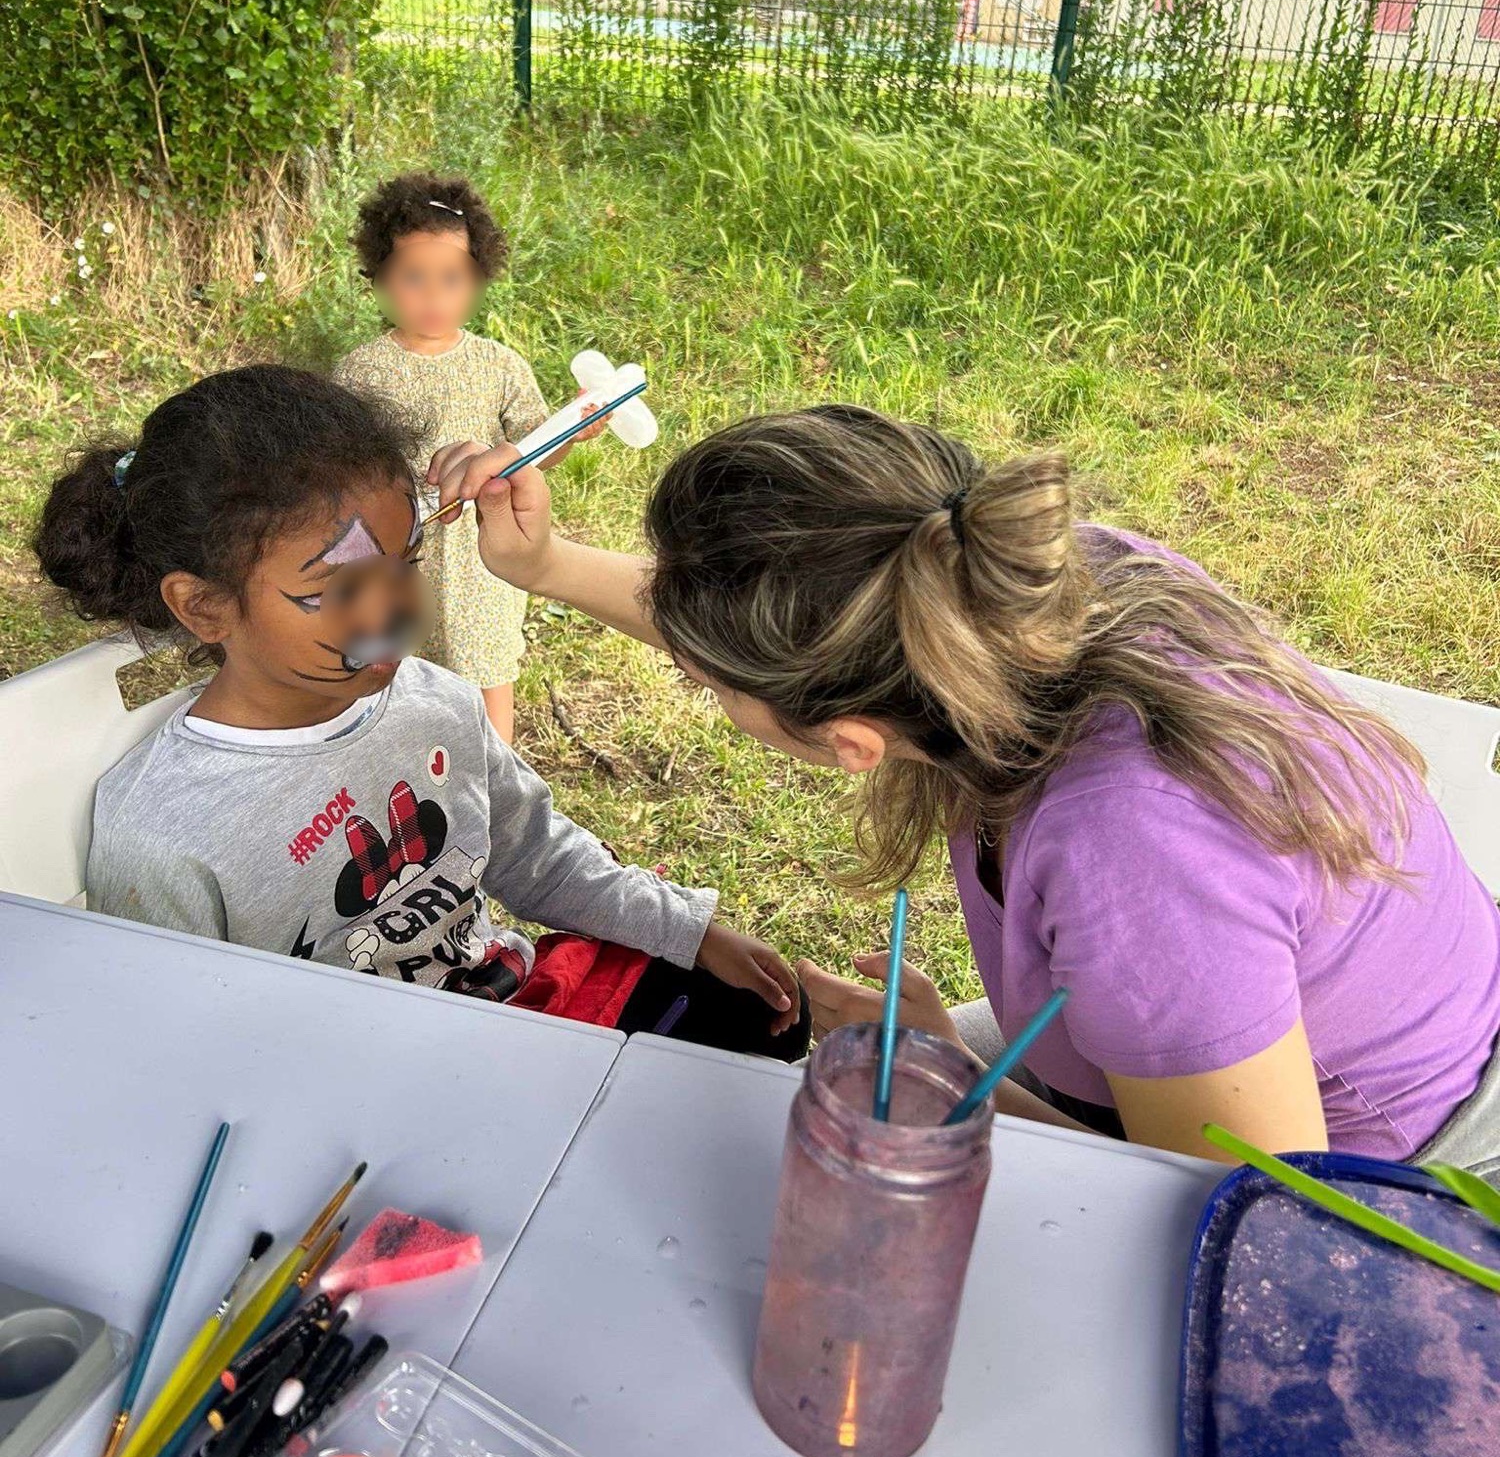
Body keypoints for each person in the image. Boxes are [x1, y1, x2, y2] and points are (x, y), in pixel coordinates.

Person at [428, 403, 1500, 1166]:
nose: (695, 675)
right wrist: (552, 564)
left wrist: (950, 1071)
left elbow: (1242, 1204)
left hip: (1381, 1179)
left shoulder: (1138, 857)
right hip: (1196, 1060)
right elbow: (789, 629)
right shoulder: (1000, 577)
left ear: (850, 740)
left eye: (707, 681)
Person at [33, 366, 806, 1058]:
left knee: (754, 1016)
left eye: (404, 565)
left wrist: (687, 930)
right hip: (362, 1096)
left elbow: (530, 852)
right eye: (342, 589)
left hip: (514, 1013)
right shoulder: (166, 837)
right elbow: (192, 1049)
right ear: (204, 606)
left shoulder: (434, 700)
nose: (396, 609)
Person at [335, 173, 571, 746]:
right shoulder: (360, 370)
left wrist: (573, 427)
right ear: (381, 279)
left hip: (481, 553)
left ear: (477, 279)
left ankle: (496, 774)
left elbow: (538, 446)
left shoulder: (499, 365)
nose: (434, 296)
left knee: (484, 662)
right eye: (413, 278)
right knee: (395, 663)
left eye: (452, 278)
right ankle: (402, 761)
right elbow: (338, 464)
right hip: (395, 548)